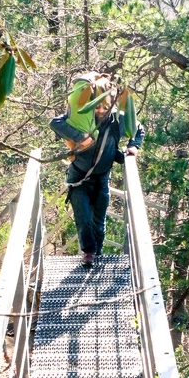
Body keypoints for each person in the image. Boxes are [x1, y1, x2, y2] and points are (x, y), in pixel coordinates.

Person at [50, 74, 145, 268]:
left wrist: (133, 146)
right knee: (83, 219)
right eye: (97, 106)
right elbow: (55, 123)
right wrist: (80, 136)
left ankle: (97, 255)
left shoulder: (118, 120)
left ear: (111, 104)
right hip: (79, 177)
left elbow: (139, 129)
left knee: (99, 225)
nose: (100, 110)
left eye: (105, 106)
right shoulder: (82, 118)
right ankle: (89, 254)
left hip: (102, 177)